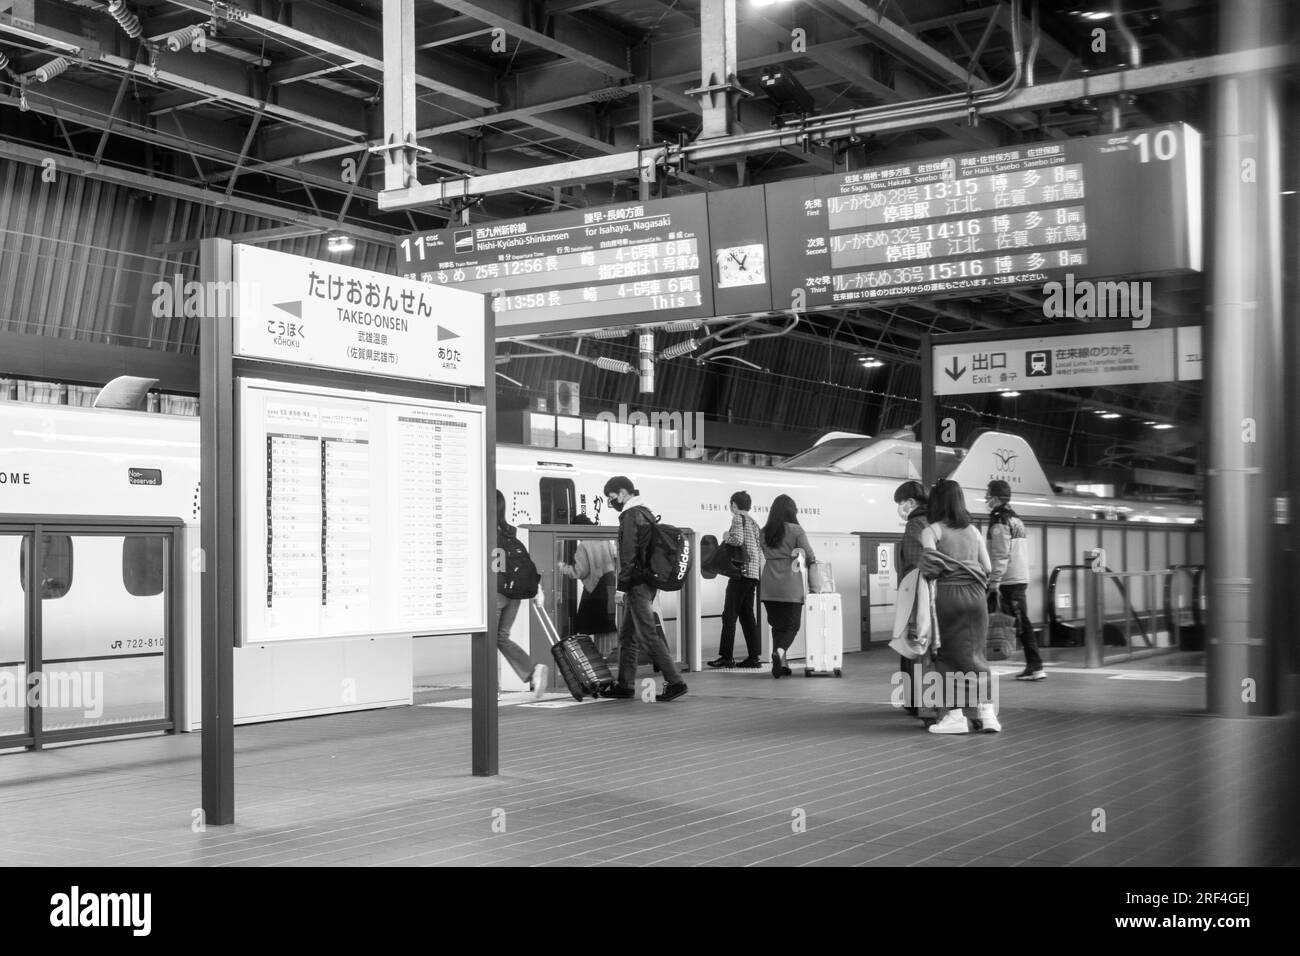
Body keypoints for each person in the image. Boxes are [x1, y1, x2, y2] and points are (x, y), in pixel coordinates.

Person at [920, 480, 1000, 734]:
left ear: (936, 502)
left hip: (947, 596)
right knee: (976, 654)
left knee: (946, 656)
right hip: (977, 597)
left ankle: (954, 717)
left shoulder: (932, 530)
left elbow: (931, 566)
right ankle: (987, 715)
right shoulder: (974, 531)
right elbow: (988, 568)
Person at [602, 476, 688, 702]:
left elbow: (628, 555)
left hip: (637, 584)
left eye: (612, 498)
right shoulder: (646, 512)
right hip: (646, 582)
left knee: (647, 634)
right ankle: (624, 684)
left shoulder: (631, 515)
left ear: (622, 493)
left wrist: (621, 587)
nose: (612, 503)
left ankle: (675, 681)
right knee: (628, 635)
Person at [985, 479, 1045, 682]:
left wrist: (994, 581)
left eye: (988, 495)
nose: (986, 499)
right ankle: (1034, 665)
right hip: (1016, 577)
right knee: (1020, 622)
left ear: (994, 497)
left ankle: (1035, 666)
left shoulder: (999, 519)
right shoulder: (1015, 518)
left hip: (1009, 580)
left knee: (1020, 622)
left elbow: (1001, 553)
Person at [495, 491, 549, 699]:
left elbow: (494, 566)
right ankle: (532, 671)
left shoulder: (487, 532)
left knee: (488, 640)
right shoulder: (509, 531)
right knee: (500, 637)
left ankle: (490, 690)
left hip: (496, 592)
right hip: (514, 594)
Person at [760, 494, 816, 679]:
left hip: (769, 583)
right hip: (789, 583)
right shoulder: (795, 530)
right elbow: (809, 555)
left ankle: (781, 665)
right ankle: (780, 652)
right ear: (792, 511)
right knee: (792, 626)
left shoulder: (764, 531)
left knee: (777, 627)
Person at [708, 490, 763, 669]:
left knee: (729, 614)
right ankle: (754, 657)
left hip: (741, 573)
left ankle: (726, 656)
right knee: (747, 615)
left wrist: (726, 537)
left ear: (733, 505)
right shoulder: (754, 523)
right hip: (753, 574)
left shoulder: (738, 518)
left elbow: (738, 540)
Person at [557, 513, 619, 660]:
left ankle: (590, 657)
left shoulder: (584, 545)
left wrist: (562, 567)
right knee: (606, 622)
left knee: (585, 623)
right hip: (610, 585)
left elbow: (580, 571)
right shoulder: (605, 540)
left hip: (595, 589)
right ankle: (610, 653)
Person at [894, 480, 929, 717]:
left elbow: (915, 565)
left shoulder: (915, 524)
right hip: (933, 593)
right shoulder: (935, 521)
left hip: (915, 592)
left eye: (900, 503)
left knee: (910, 644)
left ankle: (914, 700)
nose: (899, 508)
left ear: (911, 502)